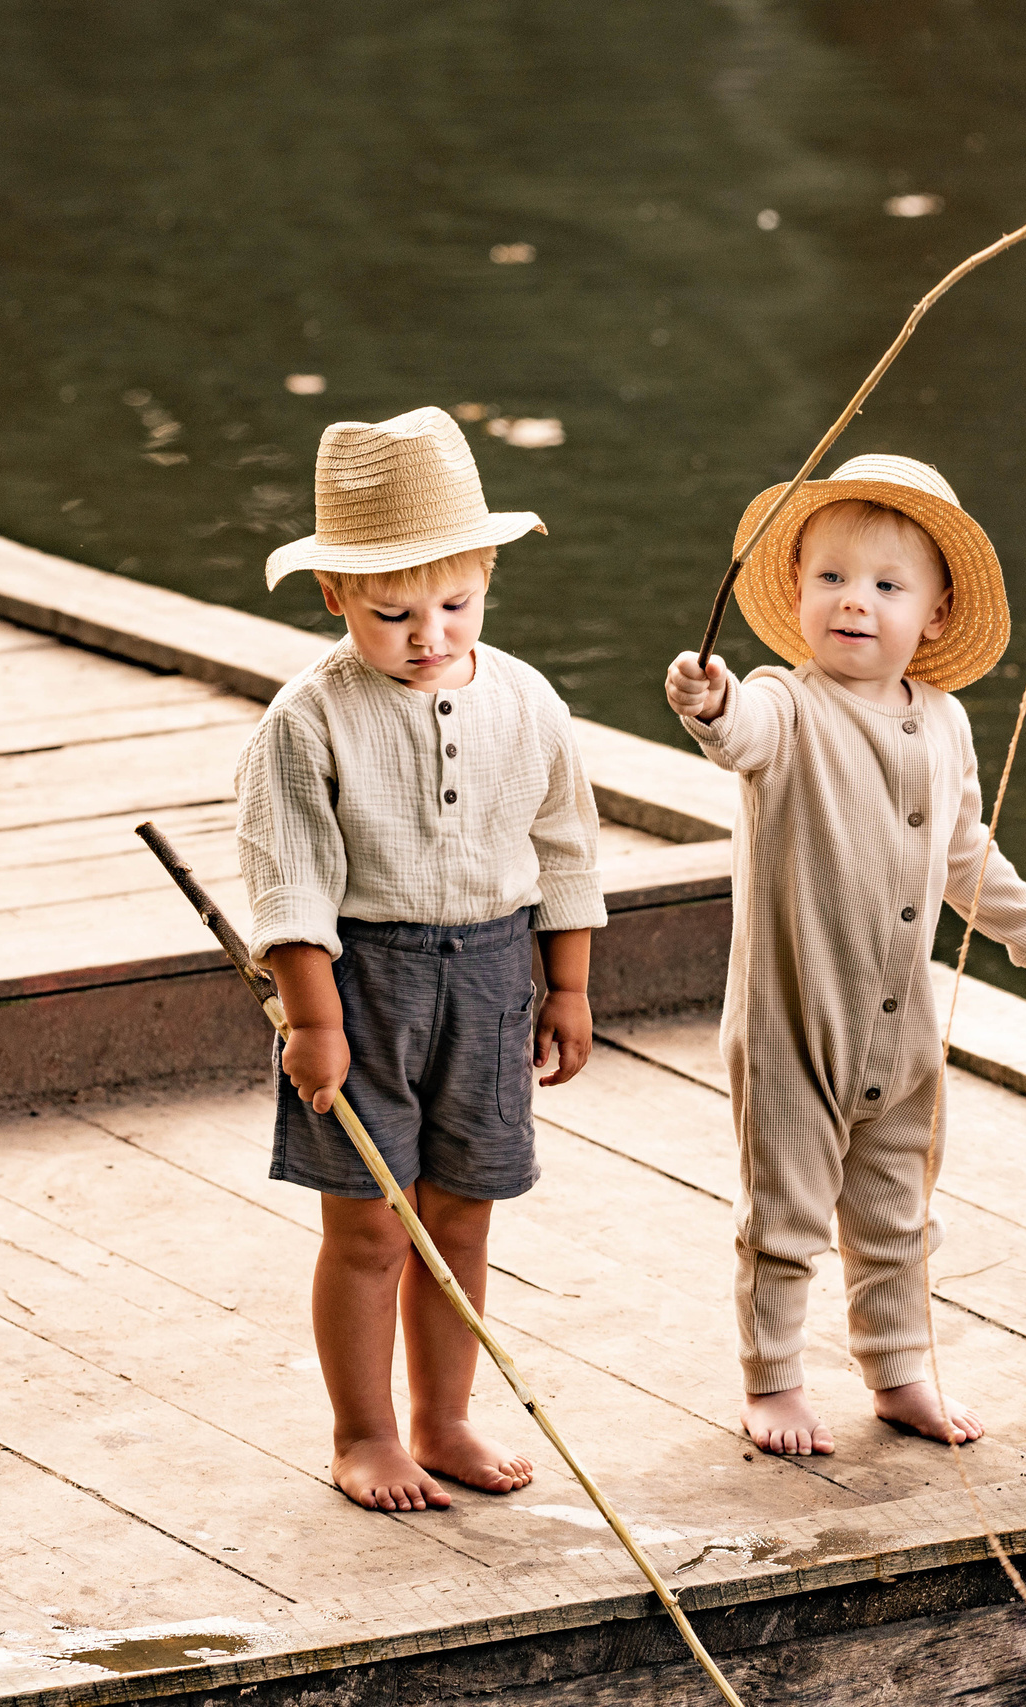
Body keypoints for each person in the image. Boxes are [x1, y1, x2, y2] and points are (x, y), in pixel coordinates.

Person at [666, 453, 1026, 1457]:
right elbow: (736, 733)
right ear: (796, 595)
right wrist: (708, 702)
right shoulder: (785, 707)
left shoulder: (946, 721)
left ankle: (899, 1368)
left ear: (936, 612)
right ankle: (774, 1379)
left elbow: (964, 854)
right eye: (830, 578)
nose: (855, 604)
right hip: (798, 1021)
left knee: (896, 1213)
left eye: (886, 585)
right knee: (784, 1215)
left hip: (902, 1027)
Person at [237, 405, 604, 1509]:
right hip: (364, 986)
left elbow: (566, 844)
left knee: (460, 1211)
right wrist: (314, 1019)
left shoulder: (527, 699)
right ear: (335, 593)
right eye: (393, 612)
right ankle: (365, 1432)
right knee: (367, 1222)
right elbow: (288, 878)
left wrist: (569, 985)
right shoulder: (307, 721)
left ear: (487, 574)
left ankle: (445, 1416)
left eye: (457, 604)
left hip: (494, 978)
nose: (429, 633)